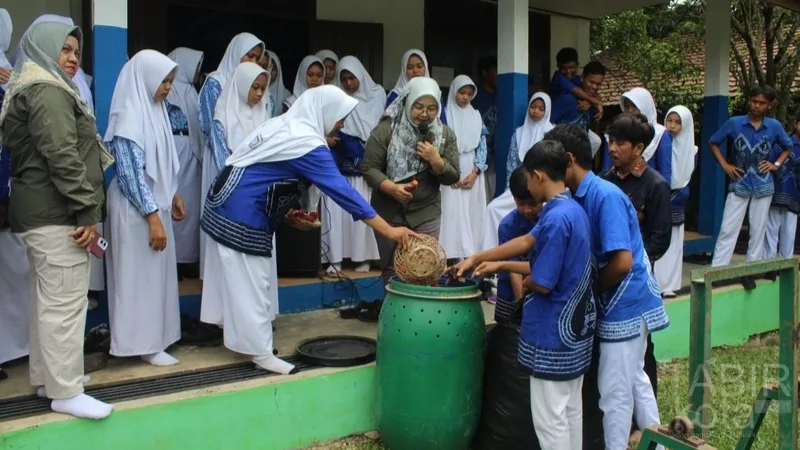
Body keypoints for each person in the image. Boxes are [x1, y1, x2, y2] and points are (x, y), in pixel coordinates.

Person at [200, 85, 418, 374]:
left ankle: (252, 341)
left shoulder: (288, 124)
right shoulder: (306, 142)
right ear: (324, 111)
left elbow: (266, 171)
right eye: (340, 118)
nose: (341, 125)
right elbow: (343, 192)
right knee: (251, 280)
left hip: (228, 199)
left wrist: (288, 214)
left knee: (250, 278)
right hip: (240, 210)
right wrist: (390, 231)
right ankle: (260, 352)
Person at [0, 20, 113, 419]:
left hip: (40, 213)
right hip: (57, 214)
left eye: (75, 53)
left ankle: (49, 380)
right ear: (46, 48)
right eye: (64, 49)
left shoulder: (30, 85)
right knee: (65, 302)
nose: (71, 59)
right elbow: (62, 156)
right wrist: (88, 211)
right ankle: (65, 391)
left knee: (47, 301)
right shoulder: (47, 91)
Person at [452, 140, 596, 450]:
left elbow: (542, 281)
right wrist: (484, 259)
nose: (527, 187)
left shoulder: (557, 218)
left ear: (539, 175)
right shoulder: (569, 208)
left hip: (553, 332)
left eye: (528, 178)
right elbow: (528, 242)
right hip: (575, 331)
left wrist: (522, 281)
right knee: (571, 411)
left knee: (550, 420)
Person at [544, 124, 668, 450]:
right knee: (636, 379)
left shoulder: (605, 196)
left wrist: (590, 289)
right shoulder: (580, 194)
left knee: (614, 392)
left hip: (625, 303)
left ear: (568, 160)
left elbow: (622, 262)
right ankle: (661, 445)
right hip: (619, 301)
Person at [105, 50, 185, 368]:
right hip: (135, 211)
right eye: (163, 80)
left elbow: (160, 162)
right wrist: (152, 217)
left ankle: (154, 341)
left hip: (154, 206)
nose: (167, 87)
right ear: (145, 78)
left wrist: (174, 194)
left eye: (170, 81)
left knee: (155, 278)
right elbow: (129, 173)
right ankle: (138, 343)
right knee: (137, 278)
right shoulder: (129, 115)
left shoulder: (154, 111)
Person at [362, 77, 461, 287]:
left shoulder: (444, 135)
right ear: (407, 102)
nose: (425, 114)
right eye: (418, 107)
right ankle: (396, 315)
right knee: (392, 269)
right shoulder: (386, 130)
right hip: (388, 210)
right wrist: (391, 187)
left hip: (426, 211)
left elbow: (453, 176)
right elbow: (369, 168)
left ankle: (425, 317)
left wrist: (436, 161)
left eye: (432, 108)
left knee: (427, 266)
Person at [709, 85, 794, 289]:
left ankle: (750, 271)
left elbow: (788, 145)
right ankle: (716, 272)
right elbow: (713, 142)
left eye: (762, 103)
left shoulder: (774, 126)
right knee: (728, 228)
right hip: (739, 182)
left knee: (758, 230)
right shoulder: (734, 123)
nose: (756, 105)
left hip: (763, 185)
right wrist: (724, 164)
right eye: (754, 101)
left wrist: (775, 165)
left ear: (769, 105)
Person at [197, 33, 264, 278]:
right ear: (236, 53)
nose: (253, 61)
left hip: (248, 168)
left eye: (258, 58)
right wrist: (230, 166)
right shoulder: (216, 82)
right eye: (249, 55)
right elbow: (208, 123)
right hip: (221, 162)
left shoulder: (258, 85)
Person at [321, 56, 385, 274]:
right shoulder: (338, 99)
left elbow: (382, 131)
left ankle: (364, 258)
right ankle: (335, 259)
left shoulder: (378, 96)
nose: (349, 84)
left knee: (364, 212)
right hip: (345, 166)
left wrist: (369, 160)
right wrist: (355, 157)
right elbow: (335, 131)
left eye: (353, 78)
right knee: (340, 214)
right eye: (345, 79)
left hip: (370, 167)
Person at [481, 93, 554, 251]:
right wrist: (512, 188)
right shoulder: (519, 133)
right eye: (533, 107)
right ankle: (491, 252)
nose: (535, 111)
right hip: (520, 185)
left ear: (547, 111)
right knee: (493, 208)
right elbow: (511, 164)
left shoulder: (552, 133)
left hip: (544, 187)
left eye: (541, 109)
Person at [439, 75, 489, 260]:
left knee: (470, 211)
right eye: (462, 93)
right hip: (450, 167)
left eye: (469, 94)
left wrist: (475, 172)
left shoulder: (476, 116)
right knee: (450, 211)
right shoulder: (444, 115)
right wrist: (448, 173)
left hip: (471, 169)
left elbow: (482, 146)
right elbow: (440, 145)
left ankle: (470, 254)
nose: (465, 97)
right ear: (453, 91)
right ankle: (449, 252)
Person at [166, 47, 205, 279]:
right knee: (176, 206)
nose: (198, 71)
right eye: (195, 65)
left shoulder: (192, 92)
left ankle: (189, 259)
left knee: (191, 209)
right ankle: (175, 261)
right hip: (176, 155)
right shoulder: (168, 90)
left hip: (193, 158)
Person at [654, 106, 697, 297]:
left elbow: (687, 175)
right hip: (661, 195)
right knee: (658, 238)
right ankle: (655, 282)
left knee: (675, 241)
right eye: (669, 120)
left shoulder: (692, 150)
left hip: (678, 196)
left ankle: (669, 285)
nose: (671, 126)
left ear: (686, 125)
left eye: (677, 122)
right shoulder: (659, 143)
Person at [493, 167, 542, 322]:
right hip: (510, 293)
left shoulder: (550, 221)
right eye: (521, 204)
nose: (527, 210)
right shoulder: (508, 225)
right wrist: (520, 303)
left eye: (532, 204)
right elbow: (512, 267)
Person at [602, 88, 672, 185]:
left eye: (634, 106)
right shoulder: (614, 133)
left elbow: (665, 174)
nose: (630, 110)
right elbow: (607, 168)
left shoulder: (660, 134)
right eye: (626, 106)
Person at [763, 110, 800, 261]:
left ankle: (785, 268)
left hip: (794, 197)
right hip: (774, 193)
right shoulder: (784, 143)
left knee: (789, 234)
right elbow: (769, 162)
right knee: (770, 231)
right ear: (796, 123)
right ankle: (769, 266)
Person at [549, 48, 604, 120]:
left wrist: (590, 102)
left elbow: (594, 93)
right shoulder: (558, 77)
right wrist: (596, 102)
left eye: (571, 67)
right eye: (563, 68)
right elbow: (577, 91)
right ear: (558, 66)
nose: (568, 71)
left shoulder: (577, 79)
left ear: (577, 65)